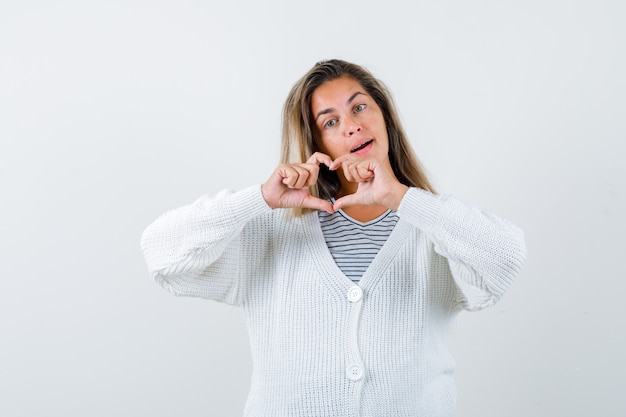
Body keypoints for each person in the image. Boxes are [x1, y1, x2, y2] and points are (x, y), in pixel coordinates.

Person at [141, 59, 527, 417]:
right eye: (330, 122)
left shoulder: (433, 226)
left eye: (359, 107)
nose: (351, 125)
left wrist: (400, 197)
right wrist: (258, 198)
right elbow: (161, 253)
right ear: (316, 144)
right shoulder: (273, 232)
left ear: (384, 117)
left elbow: (505, 259)